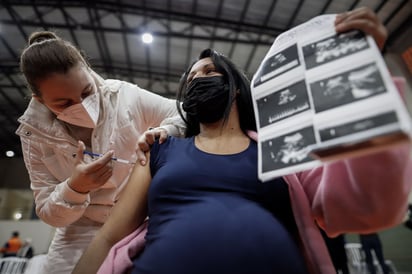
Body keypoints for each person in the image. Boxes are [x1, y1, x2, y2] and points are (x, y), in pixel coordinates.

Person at [73, 8, 412, 274]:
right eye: (191, 78)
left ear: (236, 86)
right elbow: (108, 237)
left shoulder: (282, 148)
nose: (198, 80)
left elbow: (363, 210)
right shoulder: (160, 148)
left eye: (208, 72)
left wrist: (364, 73)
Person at [15, 30, 185, 274]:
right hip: (80, 229)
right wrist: (75, 189)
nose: (82, 105)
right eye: (64, 103)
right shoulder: (34, 135)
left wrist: (165, 130)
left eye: (86, 92)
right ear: (39, 100)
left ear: (86, 67)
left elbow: (183, 113)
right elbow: (48, 213)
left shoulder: (125, 96)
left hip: (141, 217)